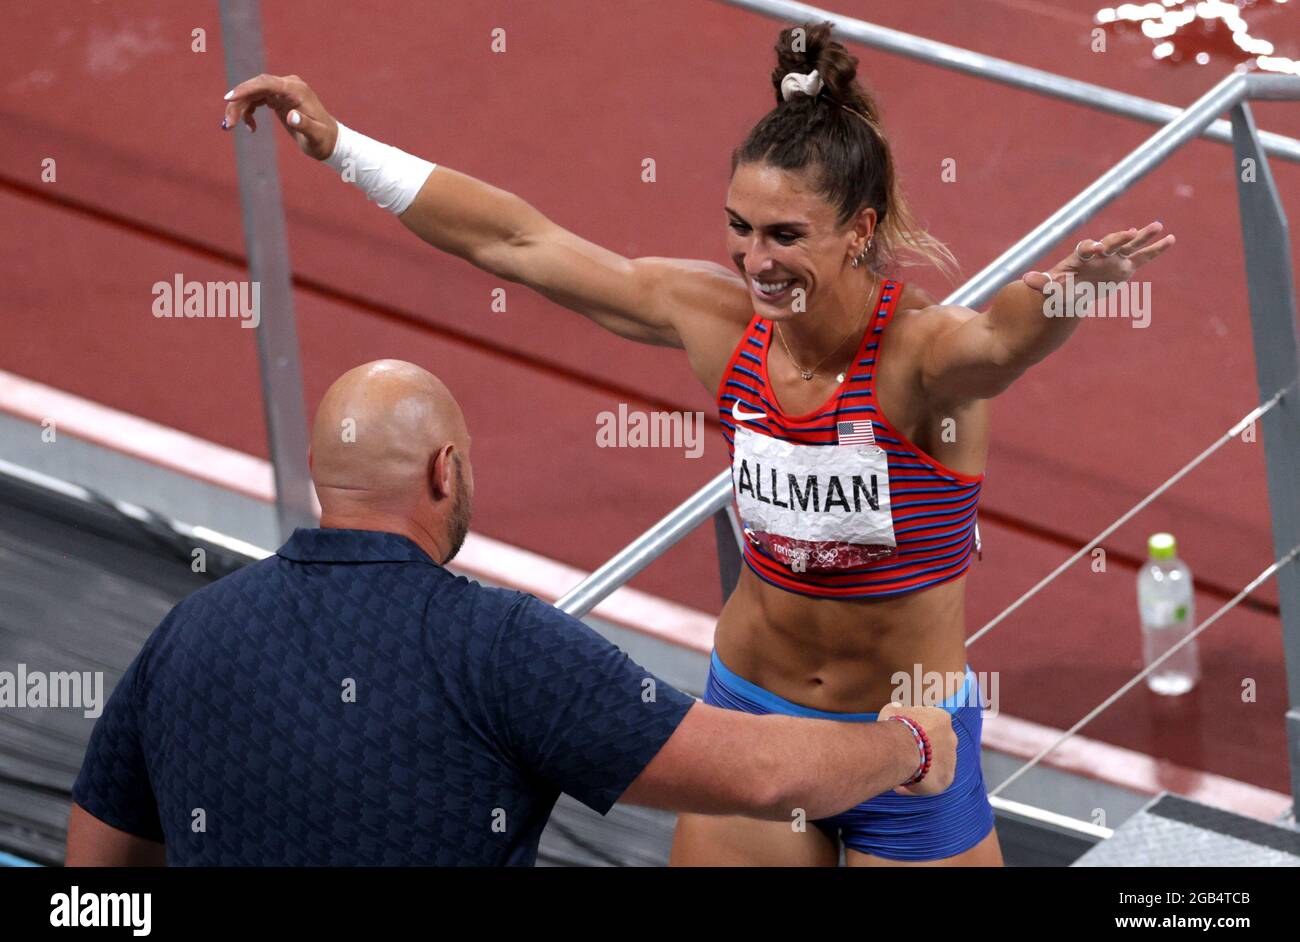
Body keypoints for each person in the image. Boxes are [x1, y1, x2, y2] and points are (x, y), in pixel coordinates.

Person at [215, 20, 1172, 866]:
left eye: (787, 234)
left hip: (908, 735)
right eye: (739, 229)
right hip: (753, 719)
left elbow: (1003, 338)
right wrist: (344, 149)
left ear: (860, 230)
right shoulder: (718, 322)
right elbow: (517, 244)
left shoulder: (921, 359)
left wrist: (1072, 291)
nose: (757, 260)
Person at [65, 359, 955, 867]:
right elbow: (756, 775)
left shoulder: (188, 634)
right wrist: (909, 747)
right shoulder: (501, 649)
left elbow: (96, 880)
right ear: (444, 471)